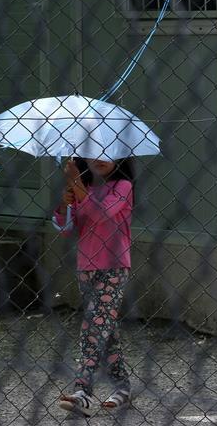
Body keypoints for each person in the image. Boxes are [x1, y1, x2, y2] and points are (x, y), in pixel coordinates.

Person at [53, 156, 135, 416]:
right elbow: (66, 228)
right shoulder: (82, 189)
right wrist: (64, 204)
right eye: (94, 152)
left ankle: (83, 391)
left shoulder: (123, 186)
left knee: (93, 327)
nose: (100, 158)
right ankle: (122, 388)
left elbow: (102, 214)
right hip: (86, 268)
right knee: (104, 328)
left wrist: (75, 183)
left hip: (114, 267)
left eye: (108, 152)